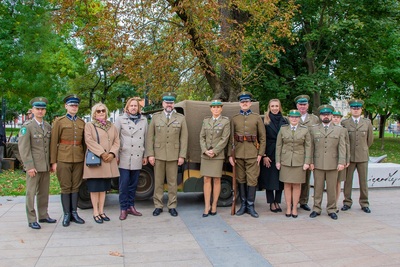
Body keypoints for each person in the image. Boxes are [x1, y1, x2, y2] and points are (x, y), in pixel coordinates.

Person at [146, 92, 188, 217]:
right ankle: (158, 206)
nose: (169, 104)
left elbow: (184, 138)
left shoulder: (180, 118)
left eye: (171, 102)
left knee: (172, 182)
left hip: (174, 155)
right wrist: (150, 154)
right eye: (166, 102)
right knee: (158, 182)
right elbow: (149, 138)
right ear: (163, 103)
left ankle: (172, 205)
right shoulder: (155, 117)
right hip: (158, 155)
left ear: (174, 104)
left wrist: (182, 155)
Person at [18, 97, 56, 229]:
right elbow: (24, 148)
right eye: (38, 109)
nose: (40, 111)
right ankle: (31, 219)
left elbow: (50, 146)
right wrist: (29, 166)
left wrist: (51, 163)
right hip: (33, 166)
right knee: (31, 193)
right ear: (32, 110)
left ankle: (43, 215)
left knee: (44, 192)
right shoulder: (27, 127)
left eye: (42, 109)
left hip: (45, 165)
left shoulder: (48, 126)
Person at [228, 91, 266, 218]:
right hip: (238, 153)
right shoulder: (234, 118)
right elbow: (231, 139)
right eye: (242, 102)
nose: (244, 104)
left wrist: (260, 154)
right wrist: (230, 155)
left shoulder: (256, 118)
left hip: (252, 153)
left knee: (252, 179)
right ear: (240, 103)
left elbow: (262, 138)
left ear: (250, 103)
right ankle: (243, 204)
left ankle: (251, 205)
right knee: (241, 179)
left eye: (247, 102)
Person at [50, 94, 86, 227]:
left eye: (76, 105)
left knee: (76, 186)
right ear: (66, 106)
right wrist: (53, 162)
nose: (74, 107)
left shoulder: (82, 122)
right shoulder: (59, 122)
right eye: (71, 105)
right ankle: (66, 214)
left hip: (78, 158)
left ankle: (74, 213)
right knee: (65, 187)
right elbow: (54, 143)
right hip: (63, 158)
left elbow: (84, 143)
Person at [83, 103, 120, 223]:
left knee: (103, 188)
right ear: (94, 113)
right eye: (98, 111)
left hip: (108, 161)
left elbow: (117, 141)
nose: (101, 113)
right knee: (95, 188)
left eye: (103, 110)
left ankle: (102, 211)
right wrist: (102, 153)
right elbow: (89, 141)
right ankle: (95, 212)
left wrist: (112, 153)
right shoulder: (89, 125)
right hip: (96, 161)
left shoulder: (111, 126)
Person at [309, 105, 346, 220]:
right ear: (320, 116)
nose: (326, 116)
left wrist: (341, 162)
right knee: (318, 188)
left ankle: (332, 209)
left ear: (331, 116)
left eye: (328, 114)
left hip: (333, 163)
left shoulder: (339, 130)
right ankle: (316, 208)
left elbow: (342, 147)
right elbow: (311, 147)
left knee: (332, 188)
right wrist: (310, 161)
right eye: (324, 115)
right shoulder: (314, 129)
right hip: (318, 163)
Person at [114, 97, 148, 220]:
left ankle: (131, 206)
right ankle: (123, 208)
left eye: (136, 106)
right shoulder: (120, 119)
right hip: (124, 156)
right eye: (131, 105)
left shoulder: (144, 120)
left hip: (138, 156)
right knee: (124, 184)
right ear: (127, 107)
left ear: (139, 108)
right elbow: (115, 138)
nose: (134, 107)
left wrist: (146, 155)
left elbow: (146, 138)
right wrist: (116, 155)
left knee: (134, 184)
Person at [275, 109, 311, 218]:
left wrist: (307, 162)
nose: (294, 119)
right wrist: (278, 161)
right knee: (286, 185)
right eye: (292, 117)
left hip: (299, 162)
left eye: (296, 117)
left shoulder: (305, 130)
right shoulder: (283, 129)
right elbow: (279, 146)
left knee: (296, 185)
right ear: (289, 118)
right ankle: (288, 207)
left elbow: (308, 146)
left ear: (299, 118)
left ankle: (295, 207)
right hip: (285, 161)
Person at [341, 99, 374, 213]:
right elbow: (344, 140)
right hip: (349, 156)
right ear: (350, 110)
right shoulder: (345, 123)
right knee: (347, 180)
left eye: (358, 108)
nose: (356, 110)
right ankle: (347, 202)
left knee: (363, 181)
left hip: (362, 156)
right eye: (353, 108)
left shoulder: (367, 123)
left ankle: (364, 203)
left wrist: (363, 149)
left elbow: (370, 140)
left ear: (361, 110)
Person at [199, 99, 230, 217]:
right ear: (210, 109)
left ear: (221, 108)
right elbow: (201, 137)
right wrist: (205, 150)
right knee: (206, 179)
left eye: (218, 107)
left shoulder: (225, 121)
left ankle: (214, 205)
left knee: (217, 179)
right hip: (206, 154)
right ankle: (206, 205)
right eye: (213, 107)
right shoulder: (206, 121)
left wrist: (215, 151)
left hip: (217, 155)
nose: (216, 109)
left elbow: (224, 139)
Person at [259, 99, 288, 213]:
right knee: (270, 179)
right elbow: (261, 138)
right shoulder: (264, 120)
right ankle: (271, 202)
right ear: (269, 107)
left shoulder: (285, 120)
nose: (274, 108)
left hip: (282, 152)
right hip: (269, 152)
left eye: (276, 106)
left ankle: (277, 201)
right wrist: (264, 155)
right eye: (272, 106)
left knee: (280, 179)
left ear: (280, 107)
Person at [295, 94, 320, 212]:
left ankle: (303, 201)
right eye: (300, 104)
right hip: (295, 152)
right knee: (295, 178)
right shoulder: (292, 117)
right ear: (297, 106)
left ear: (308, 105)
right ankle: (294, 201)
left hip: (309, 152)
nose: (302, 107)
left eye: (304, 104)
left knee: (306, 178)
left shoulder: (314, 119)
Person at [332, 110, 350, 212]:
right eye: (334, 117)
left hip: (340, 159)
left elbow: (347, 145)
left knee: (337, 182)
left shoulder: (343, 130)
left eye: (338, 117)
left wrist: (346, 159)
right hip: (329, 159)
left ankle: (335, 203)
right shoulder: (326, 128)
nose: (335, 119)